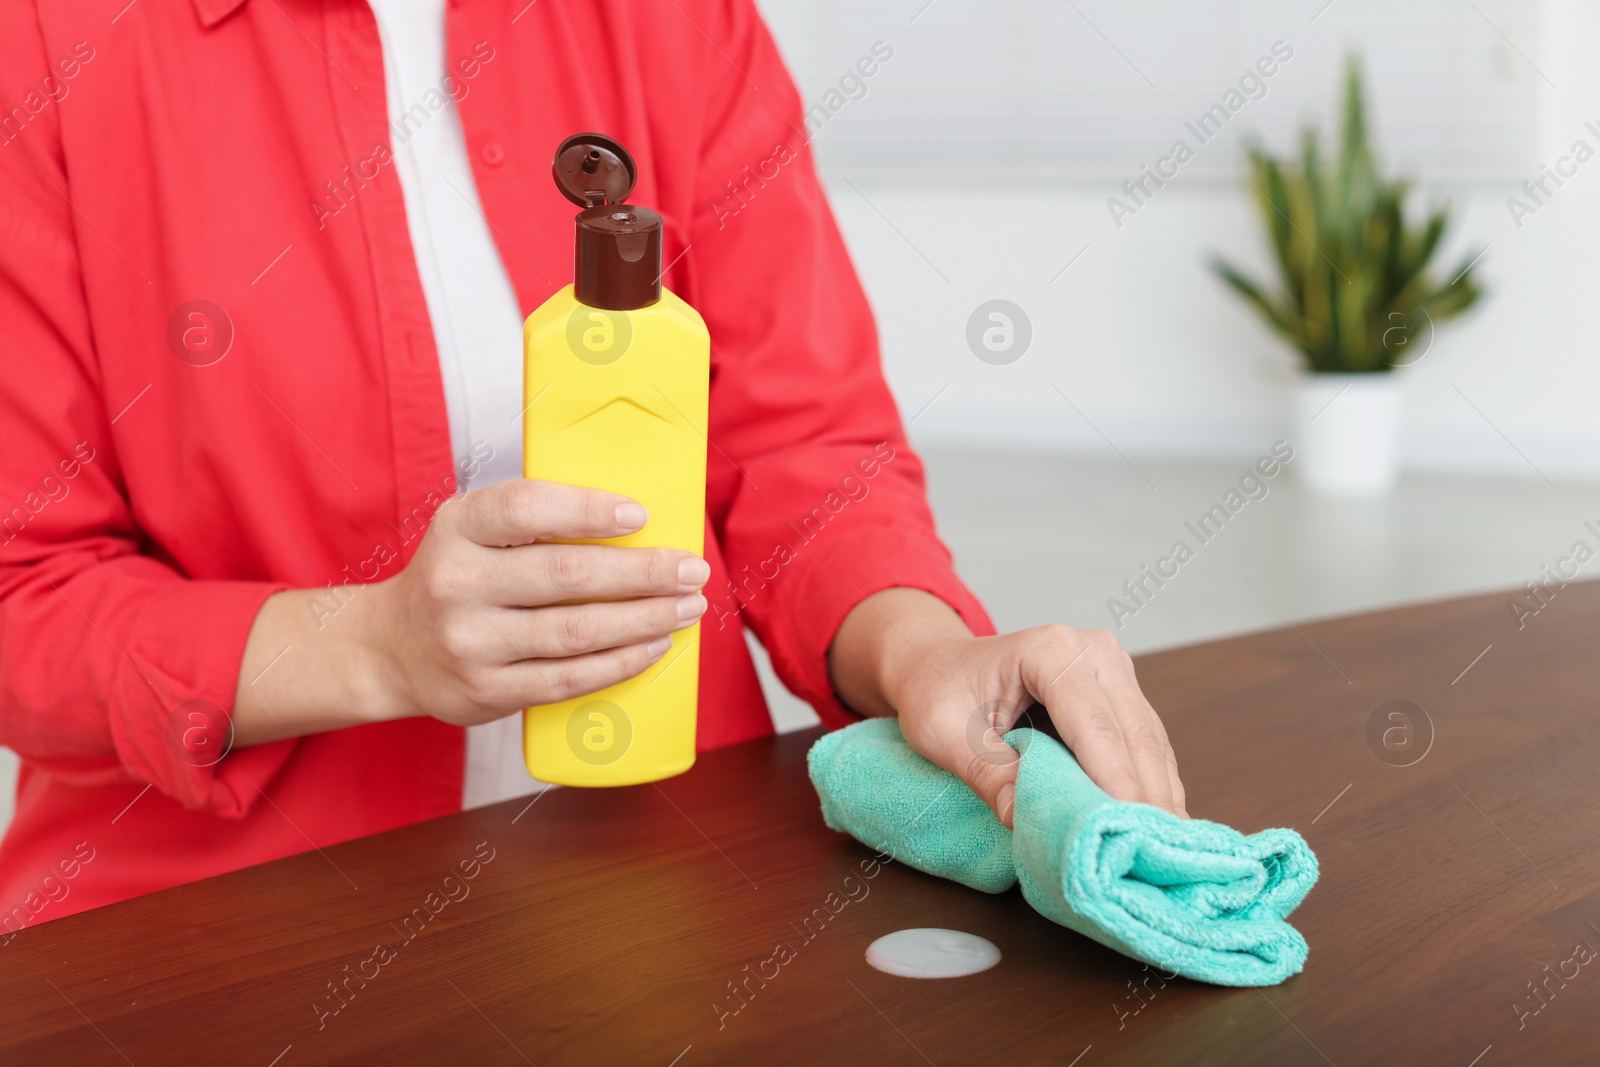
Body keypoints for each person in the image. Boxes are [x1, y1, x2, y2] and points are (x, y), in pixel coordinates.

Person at [0, 0, 1184, 927]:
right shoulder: (45, 40)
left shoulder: (676, 15)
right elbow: (22, 597)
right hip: (214, 931)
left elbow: (804, 447)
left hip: (662, 885)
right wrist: (376, 644)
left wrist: (927, 653)